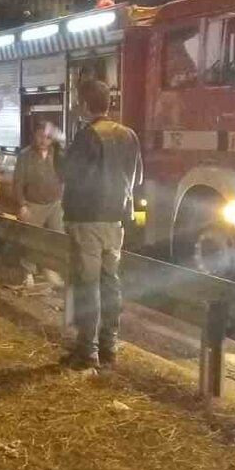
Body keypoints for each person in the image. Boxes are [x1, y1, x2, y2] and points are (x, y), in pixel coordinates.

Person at [61, 78, 143, 371]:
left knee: (88, 285)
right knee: (111, 283)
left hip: (87, 220)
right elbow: (137, 179)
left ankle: (87, 352)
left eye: (77, 102)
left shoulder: (87, 136)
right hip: (115, 222)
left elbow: (69, 175)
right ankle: (109, 346)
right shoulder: (129, 135)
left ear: (84, 105)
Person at [12, 120, 63, 285]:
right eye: (41, 136)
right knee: (31, 240)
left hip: (55, 203)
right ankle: (28, 272)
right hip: (33, 204)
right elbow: (18, 183)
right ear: (35, 136)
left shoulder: (57, 154)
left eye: (48, 137)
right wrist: (22, 205)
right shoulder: (25, 156)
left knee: (57, 238)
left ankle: (51, 270)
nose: (43, 141)